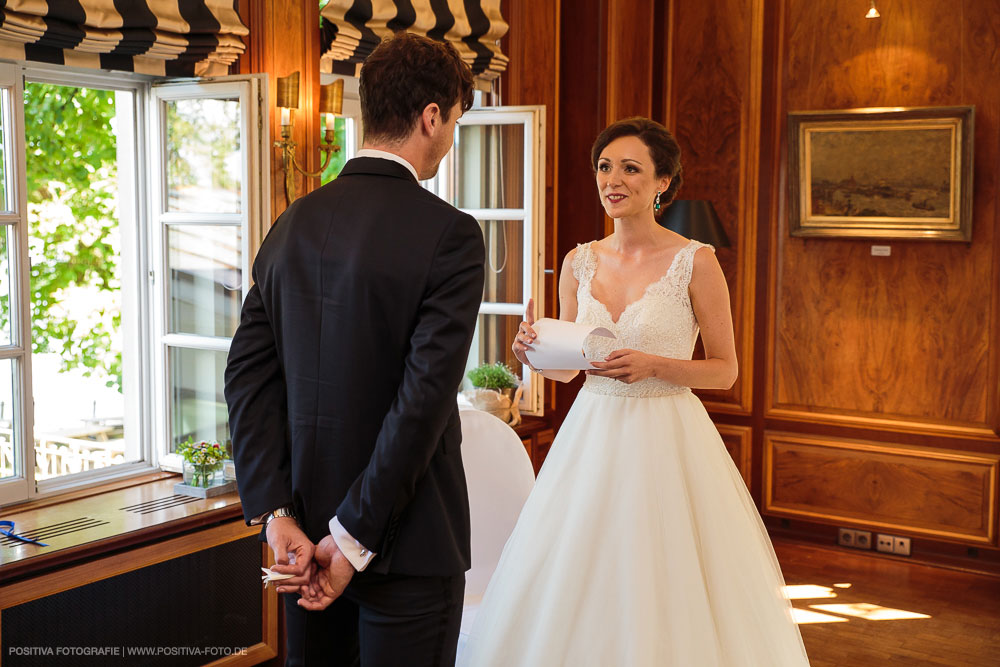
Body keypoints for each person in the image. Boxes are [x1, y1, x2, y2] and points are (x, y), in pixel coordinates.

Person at [460, 117, 809, 666]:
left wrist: (655, 365)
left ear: (663, 181)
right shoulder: (578, 262)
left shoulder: (696, 261)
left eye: (630, 168)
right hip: (589, 438)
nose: (613, 180)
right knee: (580, 569)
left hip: (668, 436)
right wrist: (533, 349)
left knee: (663, 572)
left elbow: (725, 371)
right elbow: (567, 372)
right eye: (604, 167)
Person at [224, 32, 485, 667]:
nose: (449, 138)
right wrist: (352, 538)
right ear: (431, 117)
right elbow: (420, 404)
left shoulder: (291, 225)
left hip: (304, 539)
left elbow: (246, 376)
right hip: (407, 547)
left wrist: (277, 513)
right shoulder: (450, 235)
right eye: (452, 121)